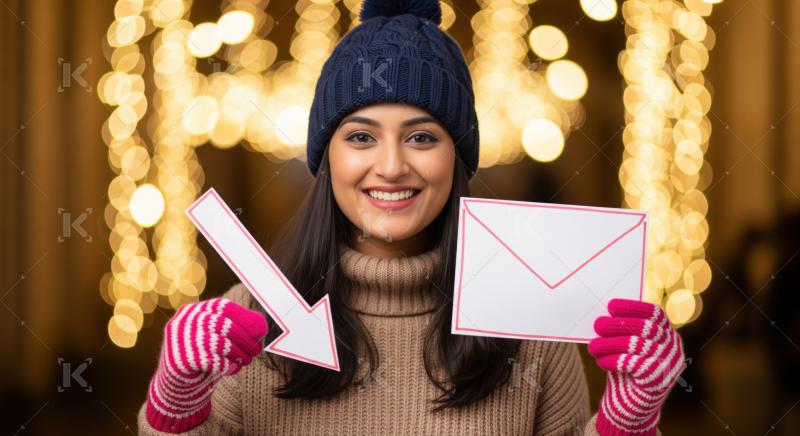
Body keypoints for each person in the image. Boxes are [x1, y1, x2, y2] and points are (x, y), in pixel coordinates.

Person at [137, 1, 686, 434]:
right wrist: (174, 400)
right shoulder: (247, 319)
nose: (392, 166)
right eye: (360, 137)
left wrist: (629, 418)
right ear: (327, 157)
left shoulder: (530, 327)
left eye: (422, 137)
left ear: (458, 158)